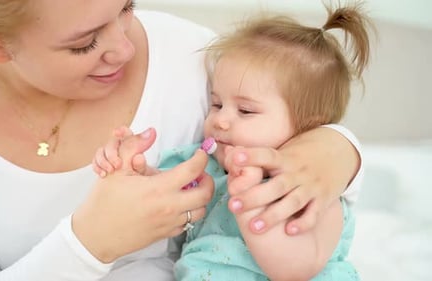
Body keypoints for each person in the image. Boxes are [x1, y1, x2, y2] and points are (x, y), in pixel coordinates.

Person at [0, 0, 362, 280]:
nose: (124, 47)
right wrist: (93, 236)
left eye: (127, 7)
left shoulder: (195, 55)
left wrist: (336, 147)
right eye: (85, 43)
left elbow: (297, 126)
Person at [93, 1, 372, 280]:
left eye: (246, 111)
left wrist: (251, 207)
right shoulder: (209, 170)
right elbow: (164, 208)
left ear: (308, 126)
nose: (221, 121)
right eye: (216, 104)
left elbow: (297, 269)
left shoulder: (310, 188)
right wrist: (137, 172)